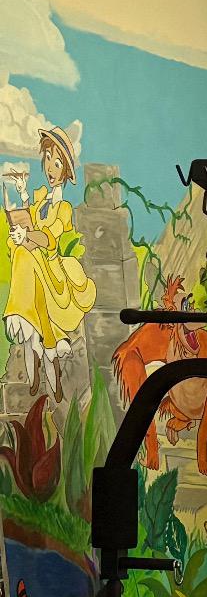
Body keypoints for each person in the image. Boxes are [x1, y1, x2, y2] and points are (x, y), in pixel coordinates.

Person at [3, 126, 97, 396]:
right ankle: (26, 327)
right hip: (34, 265)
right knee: (23, 254)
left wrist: (27, 236)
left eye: (57, 163)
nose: (51, 168)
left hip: (52, 269)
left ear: (66, 170)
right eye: (48, 160)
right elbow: (31, 221)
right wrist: (22, 194)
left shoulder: (62, 207)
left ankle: (20, 315)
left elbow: (50, 238)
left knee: (25, 255)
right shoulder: (41, 197)